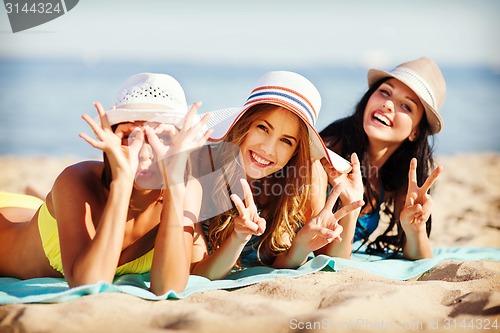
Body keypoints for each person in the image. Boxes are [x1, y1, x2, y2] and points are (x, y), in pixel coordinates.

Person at [0, 73, 211, 295]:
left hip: (38, 212)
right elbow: (89, 285)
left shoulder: (186, 189)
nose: (145, 153)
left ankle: (37, 197)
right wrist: (122, 183)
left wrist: (175, 185)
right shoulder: (76, 179)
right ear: (110, 139)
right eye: (130, 137)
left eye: (163, 138)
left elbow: (168, 288)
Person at [191, 71, 363, 280]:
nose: (268, 148)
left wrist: (352, 207)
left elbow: (329, 261)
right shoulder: (202, 168)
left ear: (295, 152)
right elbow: (197, 274)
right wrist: (238, 237)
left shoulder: (306, 177)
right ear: (244, 125)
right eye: (263, 128)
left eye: (286, 141)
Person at [318, 57, 446, 260]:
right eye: (385, 92)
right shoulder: (329, 153)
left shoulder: (402, 176)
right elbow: (325, 256)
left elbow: (420, 258)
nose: (388, 104)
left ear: (415, 132)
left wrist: (415, 229)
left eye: (406, 106)